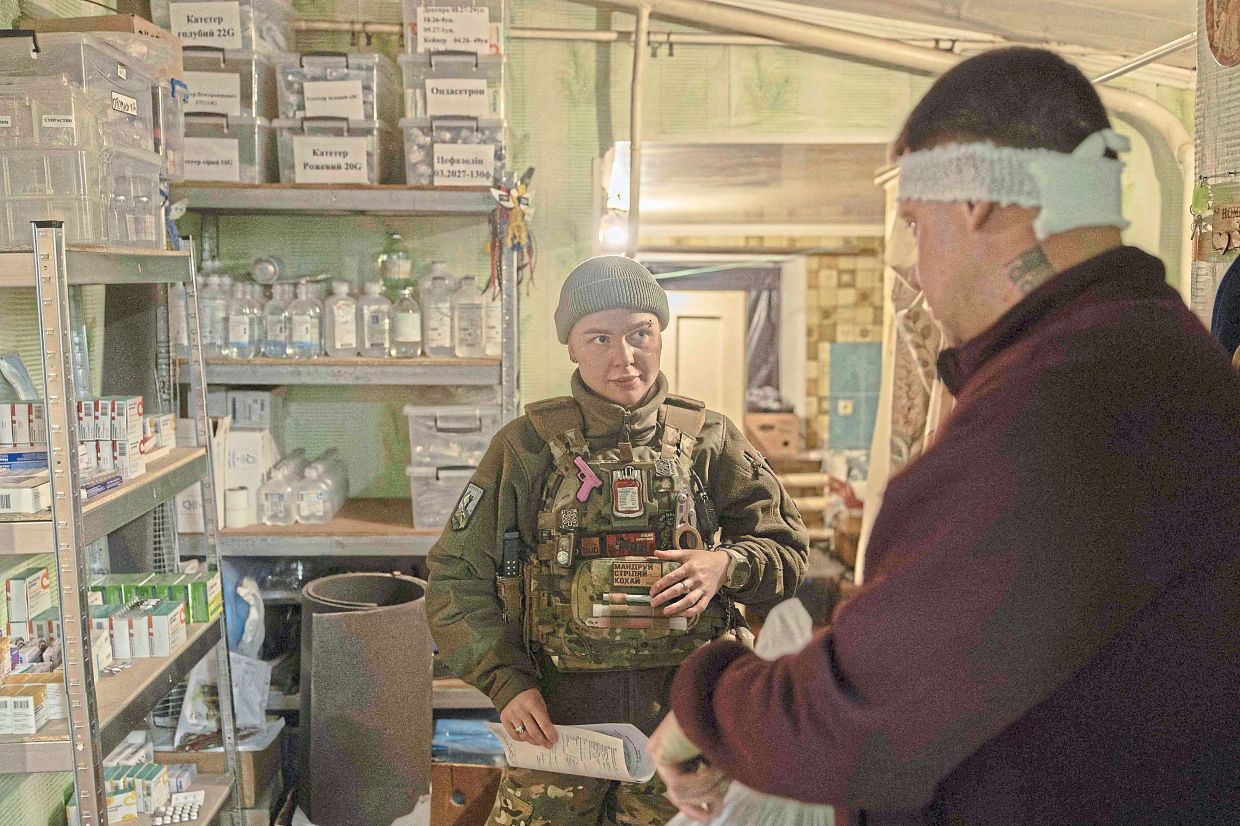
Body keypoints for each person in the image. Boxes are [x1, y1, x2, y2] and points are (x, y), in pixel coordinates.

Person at [649, 46, 1240, 825]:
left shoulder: (1060, 403)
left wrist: (706, 702)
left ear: (978, 204)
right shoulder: (1160, 352)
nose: (919, 275)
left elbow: (861, 714)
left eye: (917, 228)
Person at [426, 255, 809, 825]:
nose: (624, 357)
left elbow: (789, 552)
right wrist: (507, 685)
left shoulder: (710, 440)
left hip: (683, 732)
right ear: (572, 346)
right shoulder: (525, 448)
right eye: (599, 337)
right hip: (558, 730)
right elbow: (455, 581)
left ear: (660, 335)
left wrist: (725, 564)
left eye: (640, 333)